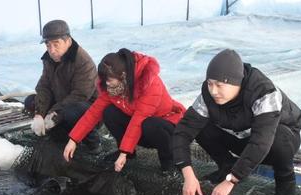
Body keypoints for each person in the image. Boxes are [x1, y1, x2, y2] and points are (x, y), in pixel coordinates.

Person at [172, 49, 301, 195]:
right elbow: (182, 132)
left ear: (237, 83)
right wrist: (188, 174)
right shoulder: (208, 95)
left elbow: (260, 142)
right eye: (210, 83)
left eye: (219, 85)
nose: (213, 91)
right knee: (200, 125)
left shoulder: (264, 93)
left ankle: (286, 181)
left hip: (278, 144)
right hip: (241, 137)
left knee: (280, 136)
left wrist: (231, 181)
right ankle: (227, 166)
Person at [63, 48, 186, 172]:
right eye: (104, 79)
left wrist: (123, 153)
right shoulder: (113, 87)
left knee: (150, 124)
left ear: (122, 75)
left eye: (109, 80)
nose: (106, 83)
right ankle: (130, 155)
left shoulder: (150, 84)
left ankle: (169, 162)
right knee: (109, 112)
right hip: (142, 126)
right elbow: (93, 113)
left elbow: (138, 121)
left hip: (168, 125)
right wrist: (73, 140)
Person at [24, 20, 100, 152]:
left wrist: (54, 113)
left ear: (68, 41)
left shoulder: (83, 62)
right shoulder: (49, 59)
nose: (52, 50)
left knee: (71, 110)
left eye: (56, 44)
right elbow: (44, 87)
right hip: (62, 103)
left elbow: (80, 95)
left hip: (86, 108)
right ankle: (60, 136)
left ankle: (93, 144)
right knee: (31, 101)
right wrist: (39, 114)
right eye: (48, 45)